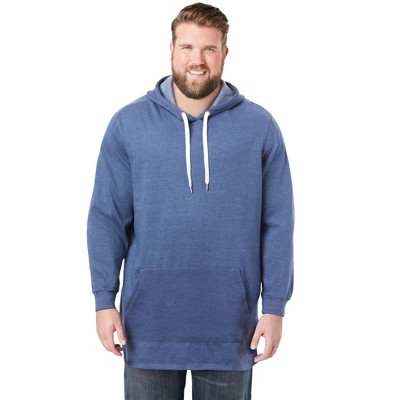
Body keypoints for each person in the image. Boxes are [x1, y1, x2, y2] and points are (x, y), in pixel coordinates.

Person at [87, 3, 294, 399]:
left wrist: (275, 307)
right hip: (146, 327)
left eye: (209, 49)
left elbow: (278, 223)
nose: (197, 60)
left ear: (224, 53)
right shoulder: (129, 124)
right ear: (171, 50)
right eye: (187, 47)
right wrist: (103, 300)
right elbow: (107, 218)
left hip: (232, 328)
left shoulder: (259, 127)